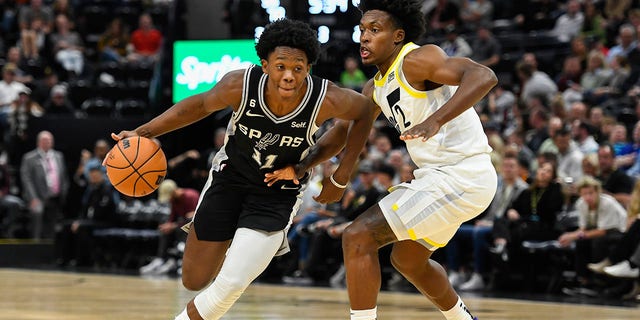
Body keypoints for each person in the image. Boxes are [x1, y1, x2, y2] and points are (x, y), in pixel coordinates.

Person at [109, 19, 375, 320]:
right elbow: (198, 106)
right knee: (194, 280)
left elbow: (364, 113)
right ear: (264, 65)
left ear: (308, 69)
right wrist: (143, 132)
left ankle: (243, 256)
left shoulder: (325, 98)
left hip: (276, 192)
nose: (289, 75)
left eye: (298, 68)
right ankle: (238, 250)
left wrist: (326, 171)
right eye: (280, 66)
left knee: (231, 283)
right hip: (229, 178)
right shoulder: (241, 84)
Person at [269, 1, 498, 319]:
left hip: (461, 174)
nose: (364, 37)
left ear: (397, 36)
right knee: (408, 260)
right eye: (362, 30)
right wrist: (301, 166)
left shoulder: (418, 59)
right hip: (442, 179)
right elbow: (340, 134)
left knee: (358, 235)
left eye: (375, 30)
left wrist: (437, 120)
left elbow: (483, 75)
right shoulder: (375, 87)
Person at [139, 179, 200, 275]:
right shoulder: (174, 200)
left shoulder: (191, 196)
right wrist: (168, 225)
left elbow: (193, 219)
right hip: (181, 225)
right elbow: (172, 217)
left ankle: (178, 261)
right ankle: (160, 259)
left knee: (188, 222)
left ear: (174, 191)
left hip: (193, 227)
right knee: (165, 228)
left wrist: (173, 225)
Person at [20, 130, 69, 239]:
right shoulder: (29, 158)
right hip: (38, 197)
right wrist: (33, 198)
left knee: (52, 227)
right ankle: (35, 247)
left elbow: (63, 177)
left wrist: (63, 193)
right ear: (39, 142)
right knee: (37, 216)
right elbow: (26, 180)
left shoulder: (59, 156)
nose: (48, 142)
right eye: (45, 140)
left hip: (55, 197)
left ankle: (49, 252)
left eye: (50, 140)